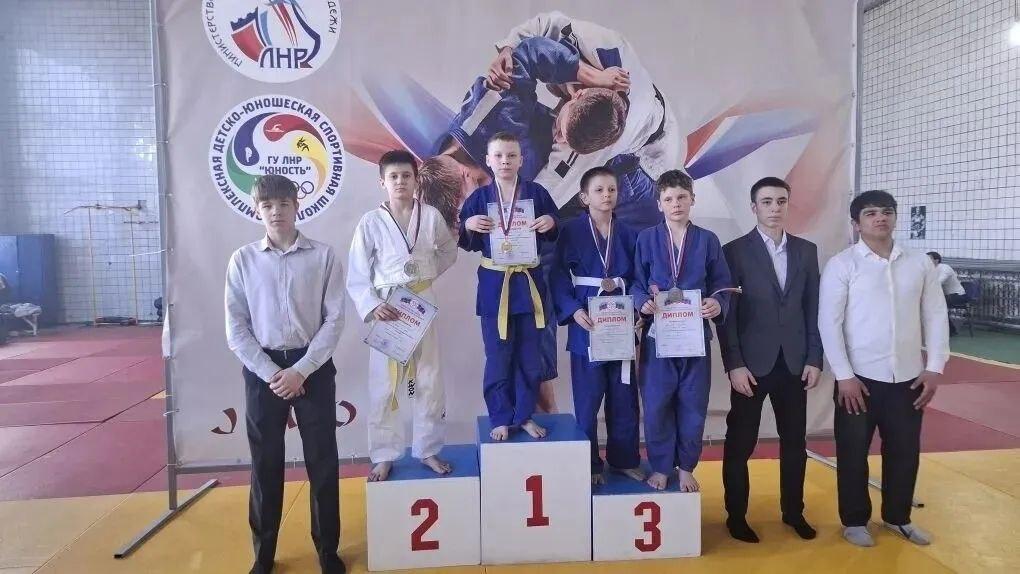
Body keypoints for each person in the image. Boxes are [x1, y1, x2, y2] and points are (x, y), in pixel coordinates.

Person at [224, 174, 346, 574]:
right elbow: (236, 328)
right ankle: (263, 554)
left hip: (313, 369)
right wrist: (272, 372)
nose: (275, 212)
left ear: (297, 206)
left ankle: (327, 550)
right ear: (256, 210)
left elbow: (334, 320)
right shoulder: (243, 260)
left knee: (322, 462)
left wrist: (301, 370)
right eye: (267, 206)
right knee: (265, 465)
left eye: (283, 204)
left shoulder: (323, 256)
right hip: (263, 372)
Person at [819, 190, 949, 548]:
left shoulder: (919, 263)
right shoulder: (843, 264)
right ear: (856, 223)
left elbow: (936, 316)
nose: (880, 218)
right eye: (871, 213)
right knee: (852, 452)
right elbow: (829, 323)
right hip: (858, 380)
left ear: (895, 217)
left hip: (908, 378)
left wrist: (934, 367)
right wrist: (844, 375)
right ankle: (854, 520)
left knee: (905, 451)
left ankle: (898, 517)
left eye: (887, 212)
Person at [719, 177, 822, 543]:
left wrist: (814, 357)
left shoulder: (806, 251)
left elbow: (813, 308)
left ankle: (794, 512)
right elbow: (727, 315)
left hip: (794, 363)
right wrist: (734, 364)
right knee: (740, 444)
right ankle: (736, 516)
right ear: (754, 207)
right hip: (750, 366)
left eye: (781, 201)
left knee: (795, 443)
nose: (775, 208)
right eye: (767, 202)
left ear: (788, 204)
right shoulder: (733, 251)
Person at [346, 150, 458, 482]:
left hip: (421, 304)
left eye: (406, 176)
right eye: (393, 177)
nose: (400, 182)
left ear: (416, 179)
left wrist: (425, 276)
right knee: (384, 383)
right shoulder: (370, 222)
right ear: (382, 182)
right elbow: (357, 273)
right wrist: (371, 305)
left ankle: (428, 449)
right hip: (388, 308)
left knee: (429, 378)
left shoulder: (431, 216)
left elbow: (448, 251)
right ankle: (384, 454)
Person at [632, 169, 733, 492]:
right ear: (659, 204)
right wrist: (642, 303)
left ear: (692, 200)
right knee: (657, 404)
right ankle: (662, 466)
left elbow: (721, 283)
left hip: (695, 337)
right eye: (668, 199)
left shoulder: (708, 240)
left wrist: (717, 303)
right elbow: (636, 283)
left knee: (693, 403)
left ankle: (687, 466)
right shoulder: (646, 238)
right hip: (658, 337)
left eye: (681, 197)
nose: (675, 204)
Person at [458, 132, 558, 441]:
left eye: (511, 155)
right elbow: (466, 240)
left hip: (528, 285)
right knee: (498, 355)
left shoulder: (536, 193)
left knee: (529, 355)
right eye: (499, 155)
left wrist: (550, 222)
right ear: (488, 160)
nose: (505, 161)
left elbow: (554, 224)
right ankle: (500, 417)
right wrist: (468, 225)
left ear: (521, 160)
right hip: (495, 287)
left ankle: (524, 415)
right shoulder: (479, 198)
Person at [550, 166, 643, 485]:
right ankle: (589, 464)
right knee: (588, 401)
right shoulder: (571, 231)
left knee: (624, 398)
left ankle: (624, 459)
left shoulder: (630, 233)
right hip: (586, 324)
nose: (606, 195)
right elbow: (557, 276)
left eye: (612, 190)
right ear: (584, 197)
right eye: (599, 190)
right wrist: (573, 310)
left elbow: (640, 278)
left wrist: (638, 310)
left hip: (620, 323)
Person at [927, 251, 968, 336]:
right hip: (947, 296)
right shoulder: (930, 270)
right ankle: (950, 330)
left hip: (958, 296)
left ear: (936, 260)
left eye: (929, 259)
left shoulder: (945, 268)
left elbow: (938, 282)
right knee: (933, 304)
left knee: (936, 305)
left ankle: (948, 330)